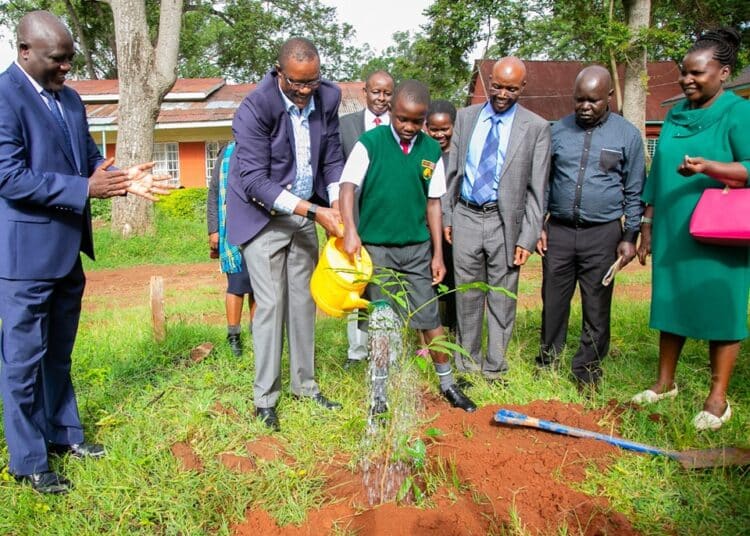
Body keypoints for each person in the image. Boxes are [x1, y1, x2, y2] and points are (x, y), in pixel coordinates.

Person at [0, 11, 173, 494]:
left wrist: (121, 178)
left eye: (69, 60)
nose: (65, 70)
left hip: (67, 252)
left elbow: (87, 161)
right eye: (57, 60)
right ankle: (29, 461)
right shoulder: (4, 97)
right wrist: (85, 189)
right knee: (22, 360)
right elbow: (8, 175)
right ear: (25, 51)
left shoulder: (70, 101)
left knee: (58, 353)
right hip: (24, 259)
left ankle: (63, 433)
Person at [631, 28, 749, 431]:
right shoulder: (676, 113)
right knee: (671, 302)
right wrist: (647, 222)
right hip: (673, 226)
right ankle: (665, 383)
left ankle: (718, 398)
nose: (687, 80)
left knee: (722, 307)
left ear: (724, 72)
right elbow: (658, 172)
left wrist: (709, 168)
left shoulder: (737, 111)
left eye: (697, 73)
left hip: (722, 232)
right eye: (684, 73)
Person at [227, 37, 344, 432]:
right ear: (279, 73)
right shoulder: (255, 107)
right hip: (261, 217)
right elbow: (256, 181)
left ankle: (305, 387)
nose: (304, 91)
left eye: (312, 82)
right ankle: (266, 399)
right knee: (271, 304)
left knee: (303, 303)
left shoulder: (329, 97)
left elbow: (331, 158)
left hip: (307, 212)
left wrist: (337, 204)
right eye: (296, 83)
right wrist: (317, 212)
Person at [339, 80, 476, 414]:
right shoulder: (369, 143)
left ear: (425, 119)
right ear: (392, 111)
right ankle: (379, 393)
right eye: (402, 119)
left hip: (416, 250)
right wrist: (351, 232)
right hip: (377, 250)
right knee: (383, 321)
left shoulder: (430, 151)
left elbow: (434, 204)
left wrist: (437, 254)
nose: (408, 127)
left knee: (430, 319)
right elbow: (346, 188)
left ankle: (447, 383)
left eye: (416, 121)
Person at [535, 65, 645, 390]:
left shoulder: (627, 136)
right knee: (553, 300)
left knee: (596, 305)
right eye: (579, 99)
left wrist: (630, 235)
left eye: (593, 100)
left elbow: (634, 189)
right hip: (559, 231)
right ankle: (548, 361)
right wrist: (540, 223)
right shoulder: (557, 131)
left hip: (603, 234)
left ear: (609, 96)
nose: (585, 106)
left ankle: (588, 370)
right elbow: (543, 181)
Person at [443, 57, 550, 384]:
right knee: (467, 296)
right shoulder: (465, 118)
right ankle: (467, 366)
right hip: (467, 218)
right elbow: (452, 174)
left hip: (507, 225)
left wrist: (527, 238)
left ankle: (495, 369)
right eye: (497, 86)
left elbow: (537, 190)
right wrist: (449, 216)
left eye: (511, 88)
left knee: (502, 299)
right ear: (488, 81)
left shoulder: (536, 127)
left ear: (523, 87)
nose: (502, 94)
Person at [339, 70, 394, 370]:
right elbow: (335, 171)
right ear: (365, 92)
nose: (381, 99)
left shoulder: (399, 129)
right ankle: (356, 351)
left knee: (385, 287)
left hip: (386, 222)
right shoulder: (345, 126)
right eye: (376, 92)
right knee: (357, 287)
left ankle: (385, 352)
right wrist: (342, 222)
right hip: (353, 222)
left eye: (387, 93)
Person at [207, 141, 255, 356]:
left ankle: (258, 334)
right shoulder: (226, 153)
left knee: (259, 286)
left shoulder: (262, 146)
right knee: (236, 283)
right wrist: (213, 230)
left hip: (259, 226)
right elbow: (214, 193)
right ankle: (233, 336)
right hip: (231, 229)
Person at [426, 99, 458, 333]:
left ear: (454, 126)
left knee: (456, 287)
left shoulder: (460, 156)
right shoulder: (424, 155)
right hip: (427, 233)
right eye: (433, 129)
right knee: (429, 286)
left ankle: (456, 334)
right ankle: (429, 338)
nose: (439, 134)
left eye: (444, 129)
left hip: (456, 234)